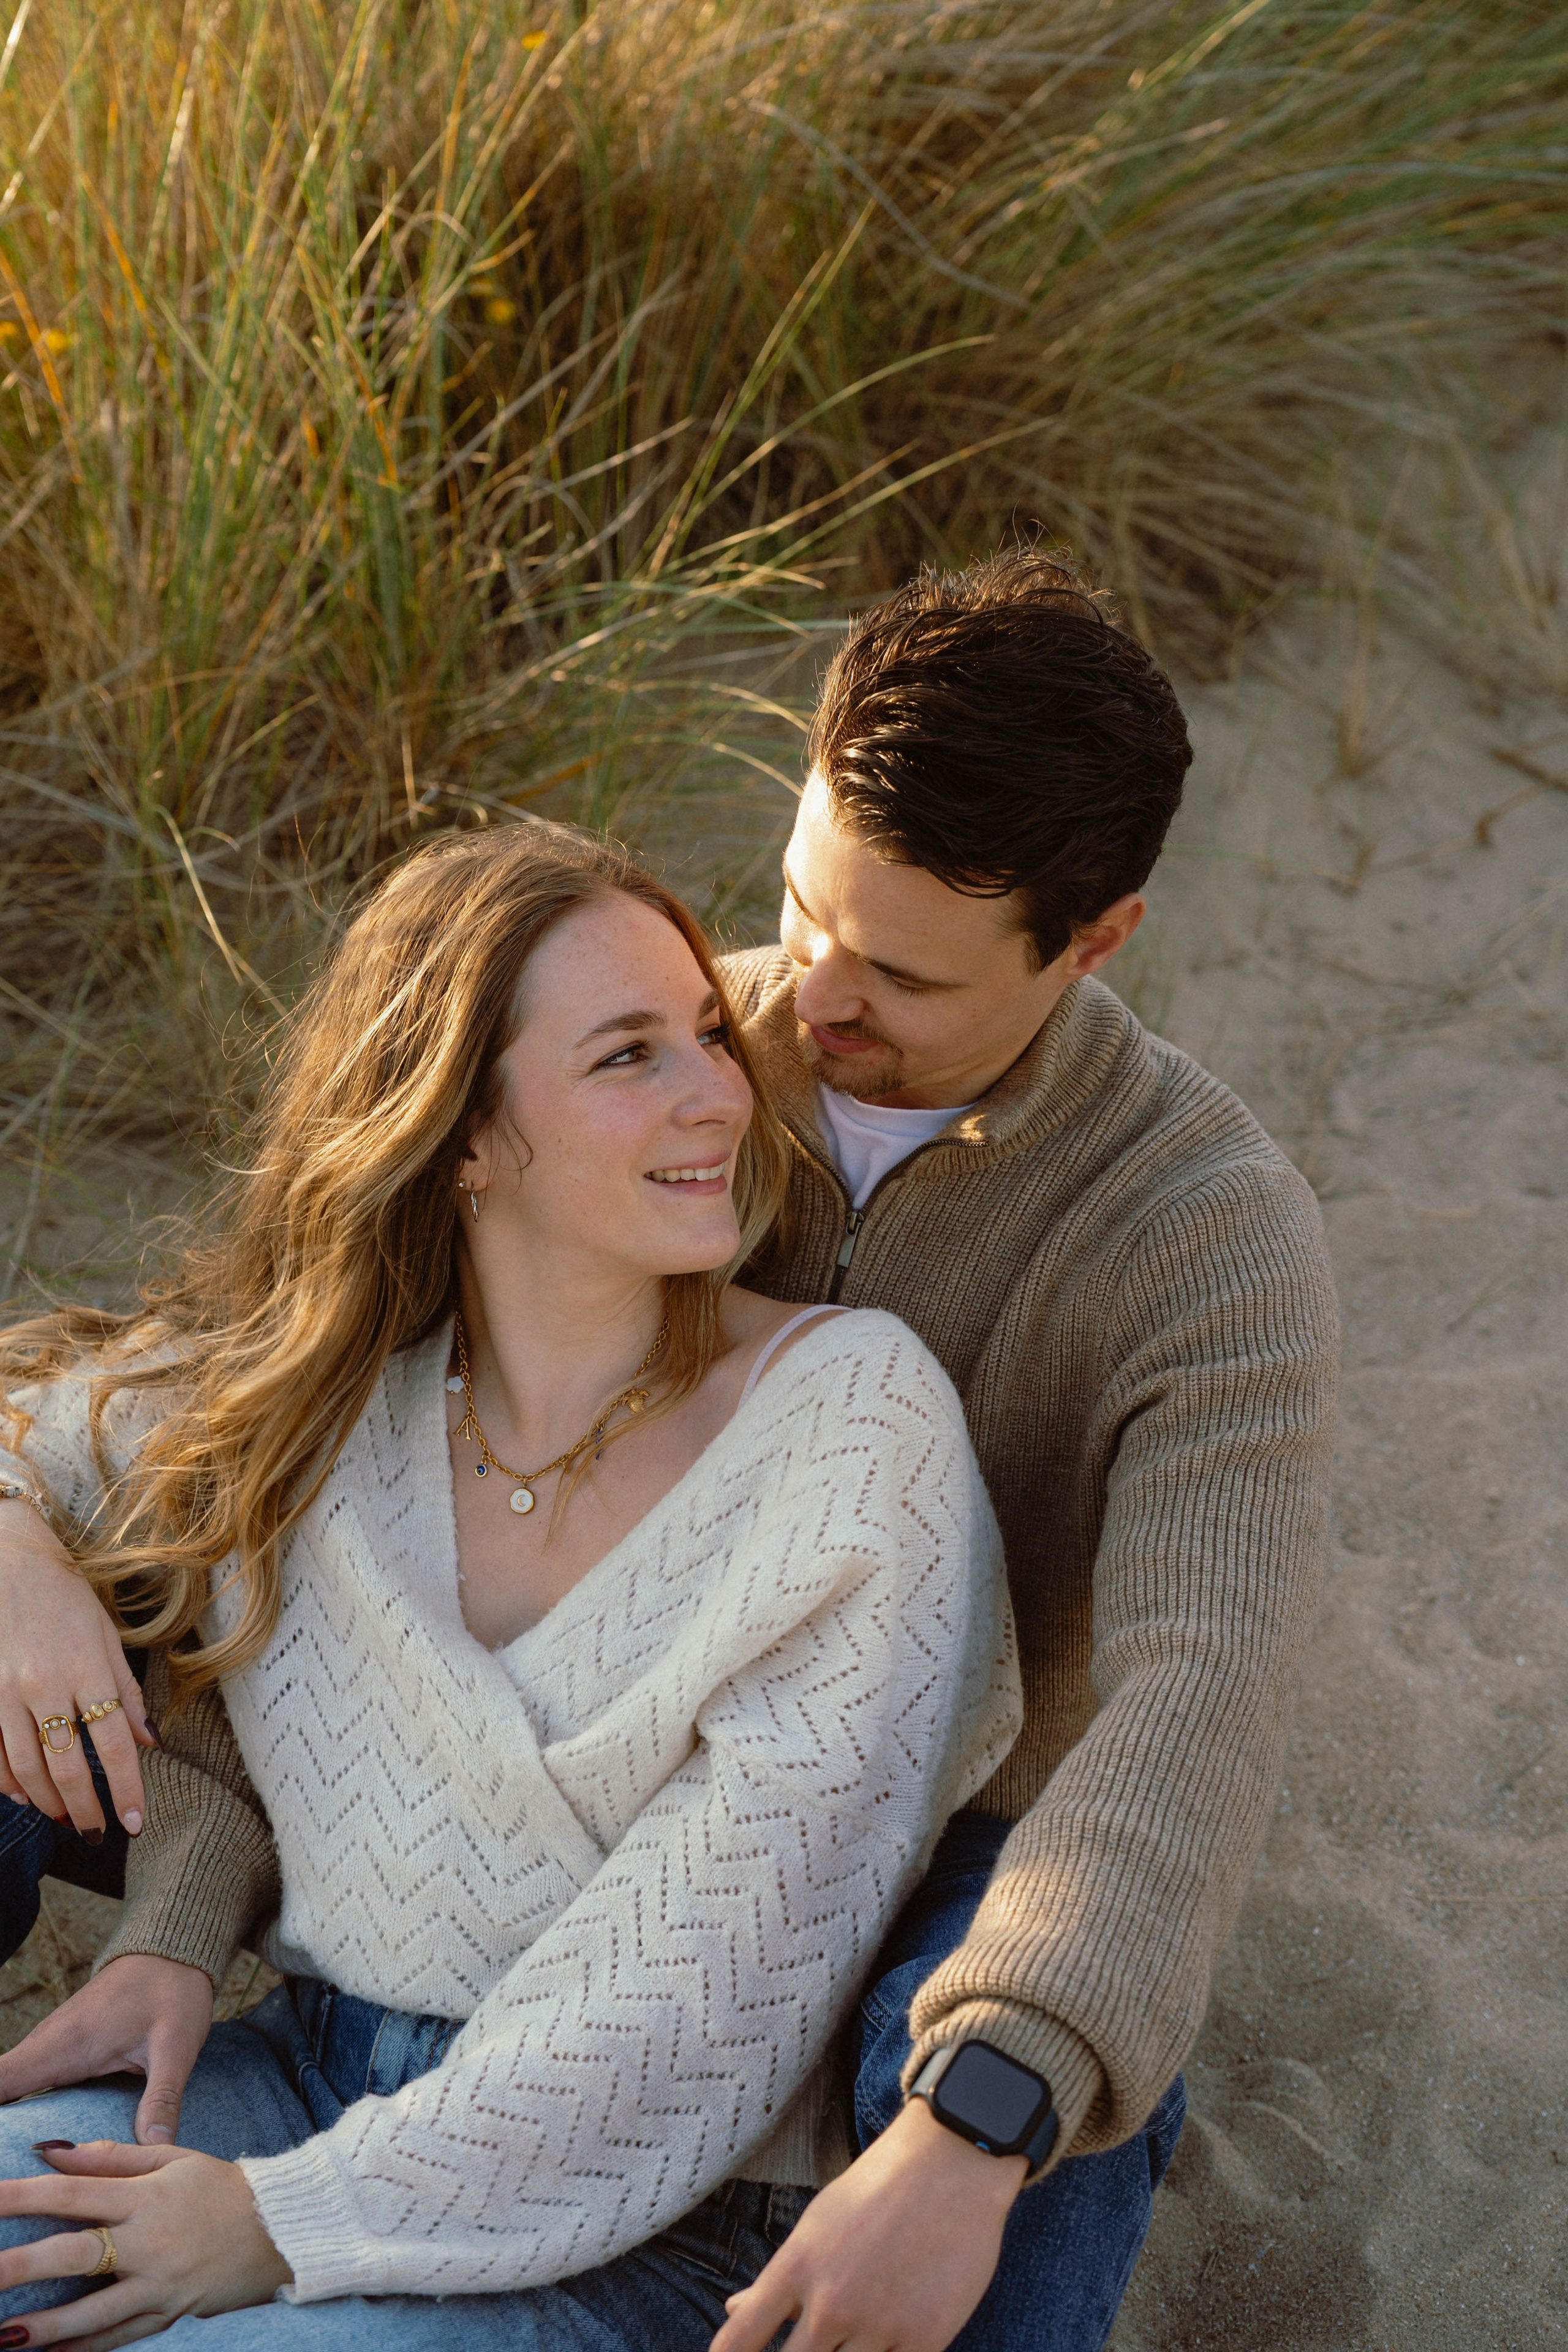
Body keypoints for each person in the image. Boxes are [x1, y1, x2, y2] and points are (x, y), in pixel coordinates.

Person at [0, 545, 1340, 2352]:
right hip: (452, 1810)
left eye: (901, 977)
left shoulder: (1198, 1230)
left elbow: (1202, 1699)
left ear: (1094, 940)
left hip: (938, 1866)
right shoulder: (668, 1048)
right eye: (804, 914)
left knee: (987, 2157)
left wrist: (990, 2100)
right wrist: (33, 1578)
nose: (800, 1013)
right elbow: (255, 1456)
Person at [0, 824, 1020, 2346]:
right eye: (627, 1056)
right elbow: (41, 1417)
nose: (718, 1095)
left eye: (704, 1036)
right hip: (292, 2078)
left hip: (649, 2216)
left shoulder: (847, 1429)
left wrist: (283, 2228)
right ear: (463, 1134)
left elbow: (696, 2009)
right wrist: (19, 1555)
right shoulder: (338, 1398)